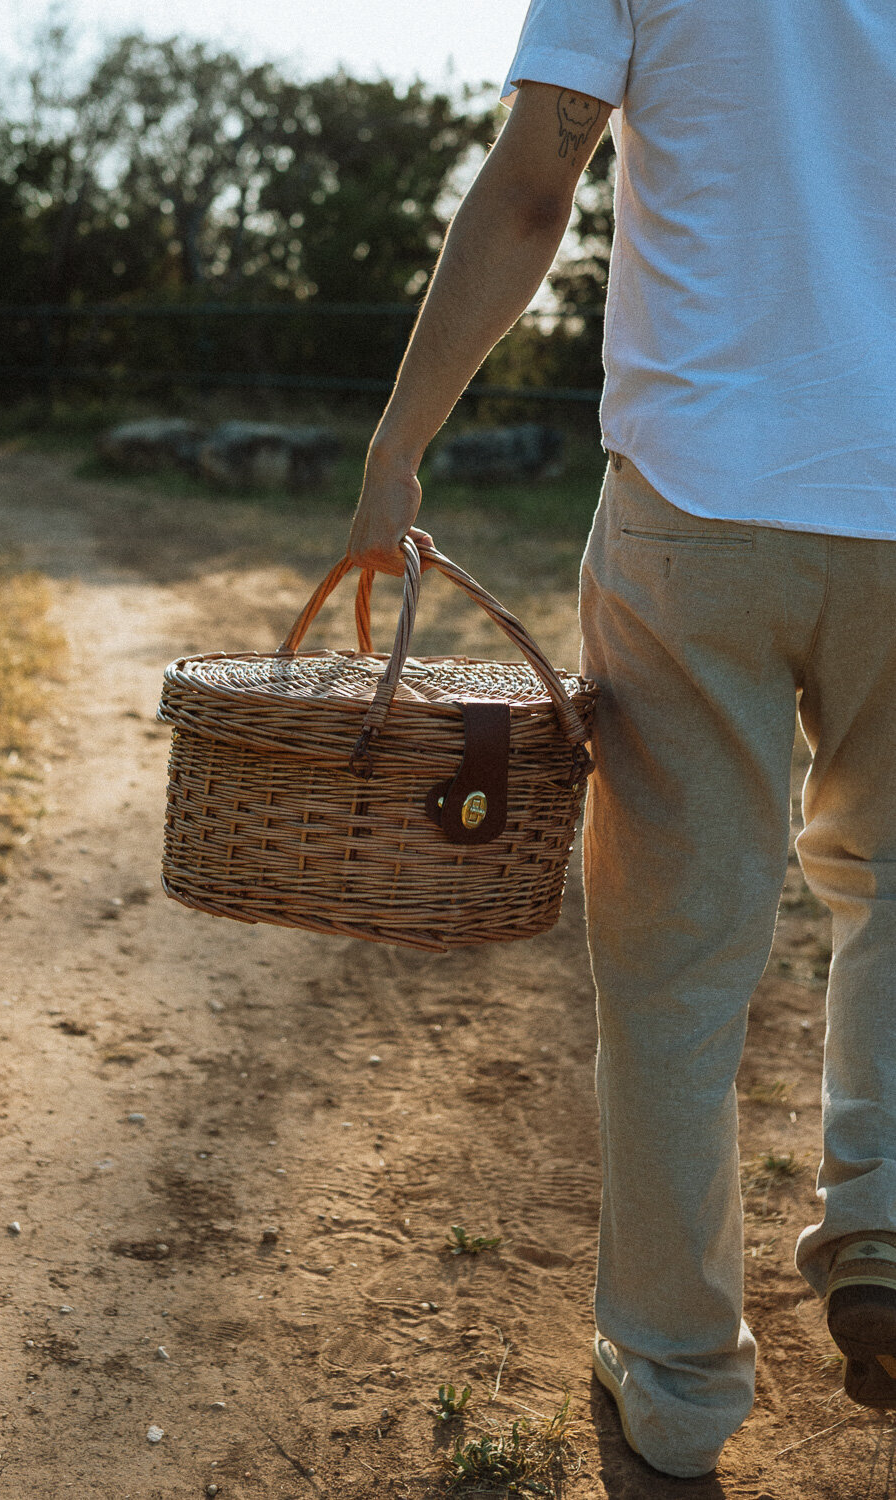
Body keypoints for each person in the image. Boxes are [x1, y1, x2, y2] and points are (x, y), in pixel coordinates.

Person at [346, 0, 896, 1480]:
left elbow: (538, 183)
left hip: (697, 493)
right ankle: (886, 1214)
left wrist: (398, 443)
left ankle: (672, 1379)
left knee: (673, 963)